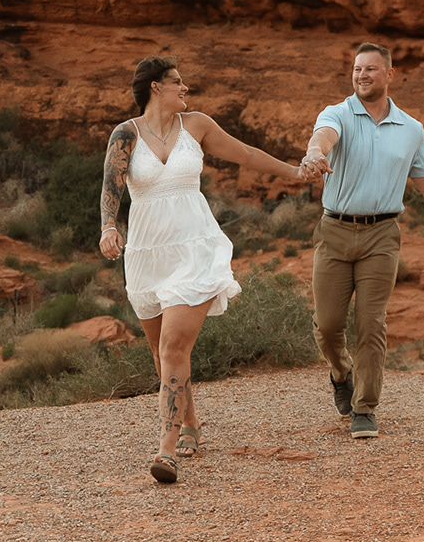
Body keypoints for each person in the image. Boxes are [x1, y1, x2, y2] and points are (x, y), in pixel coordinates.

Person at [101, 55, 306, 485]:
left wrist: (294, 172)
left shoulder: (197, 126)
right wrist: (107, 228)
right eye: (178, 82)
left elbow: (245, 153)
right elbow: (112, 187)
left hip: (195, 247)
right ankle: (190, 423)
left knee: (175, 346)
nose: (185, 88)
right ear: (156, 87)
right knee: (163, 357)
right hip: (146, 252)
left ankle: (166, 449)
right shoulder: (125, 134)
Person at [299, 42, 424, 439]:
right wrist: (313, 152)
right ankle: (341, 373)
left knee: (371, 322)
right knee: (327, 325)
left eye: (371, 70)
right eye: (357, 69)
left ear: (389, 75)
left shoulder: (411, 129)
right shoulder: (338, 113)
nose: (362, 76)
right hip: (335, 230)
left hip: (382, 235)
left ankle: (364, 407)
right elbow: (324, 137)